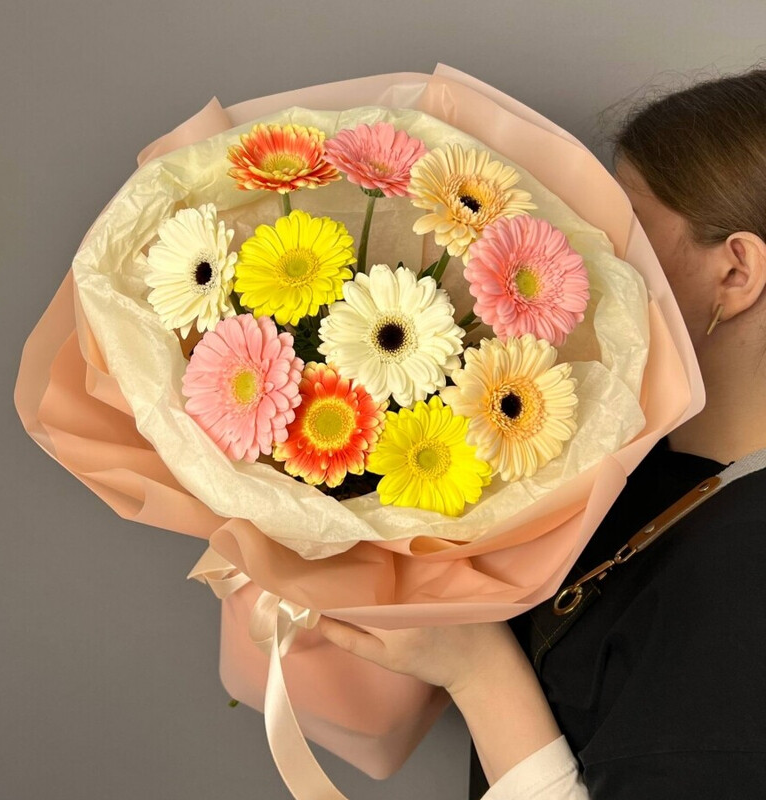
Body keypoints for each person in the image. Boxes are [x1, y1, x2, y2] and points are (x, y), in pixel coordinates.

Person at [317, 65, 766, 799]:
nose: (591, 258)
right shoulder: (646, 469)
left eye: (629, 231)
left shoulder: (747, 572)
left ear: (736, 272)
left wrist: (477, 668)